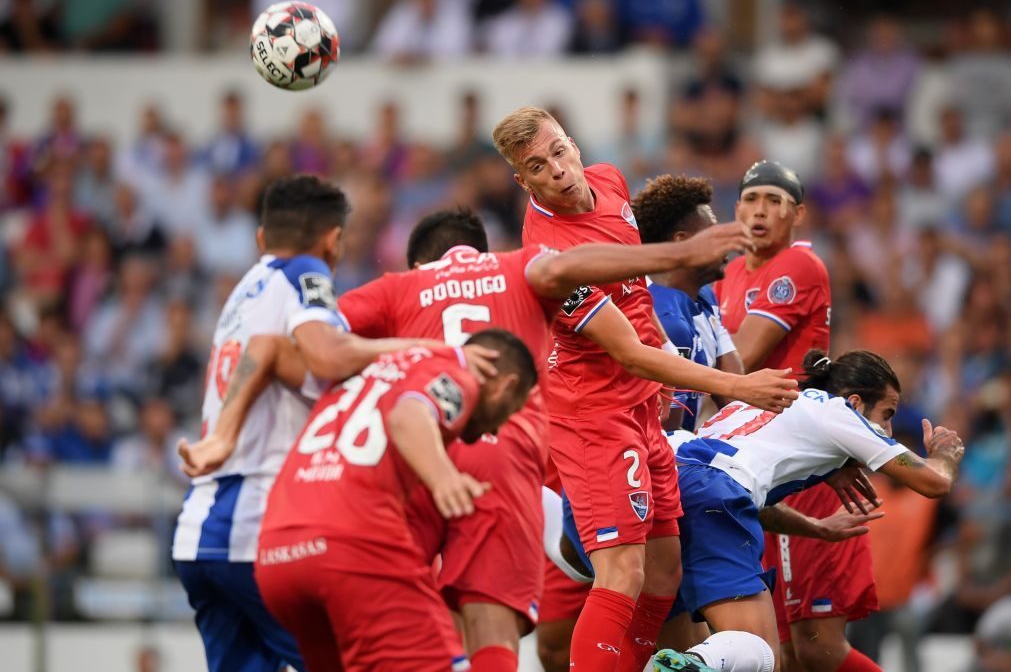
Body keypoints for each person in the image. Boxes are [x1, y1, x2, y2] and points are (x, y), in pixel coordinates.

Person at [181, 205, 759, 672]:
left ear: (419, 262)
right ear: (480, 251)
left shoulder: (396, 290)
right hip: (497, 454)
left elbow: (287, 349)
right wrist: (677, 255)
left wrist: (223, 435)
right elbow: (580, 286)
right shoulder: (518, 269)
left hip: (364, 485)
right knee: (500, 619)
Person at [492, 106, 798, 672]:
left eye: (559, 151)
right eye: (538, 166)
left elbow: (635, 295)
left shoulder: (609, 180)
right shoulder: (553, 260)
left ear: (574, 144)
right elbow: (629, 352)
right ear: (523, 180)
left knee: (664, 569)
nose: (556, 170)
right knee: (623, 572)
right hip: (591, 418)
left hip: (638, 410)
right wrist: (738, 385)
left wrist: (658, 343)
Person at [171, 175, 442, 672]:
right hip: (257, 523)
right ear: (333, 241)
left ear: (260, 238)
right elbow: (327, 354)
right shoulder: (302, 273)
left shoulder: (243, 292)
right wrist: (428, 349)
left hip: (200, 533)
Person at [657, 349, 965, 670]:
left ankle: (686, 660)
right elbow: (934, 482)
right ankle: (691, 664)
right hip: (714, 492)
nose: (887, 430)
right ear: (857, 402)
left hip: (665, 482)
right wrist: (945, 454)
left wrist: (815, 527)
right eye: (887, 414)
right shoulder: (840, 412)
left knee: (665, 640)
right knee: (761, 654)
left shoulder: (766, 403)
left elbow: (738, 489)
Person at [254, 331, 537, 672]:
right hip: (350, 546)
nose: (502, 423)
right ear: (506, 386)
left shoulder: (364, 368)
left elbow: (266, 345)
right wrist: (443, 477)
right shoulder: (459, 375)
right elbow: (408, 417)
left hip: (276, 554)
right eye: (513, 410)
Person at [713, 161, 880, 672]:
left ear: (798, 213)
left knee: (816, 646)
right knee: (780, 650)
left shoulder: (798, 266)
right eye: (751, 199)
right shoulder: (733, 270)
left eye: (774, 200)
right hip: (756, 457)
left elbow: (738, 360)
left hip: (798, 453)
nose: (760, 211)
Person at [633, 173, 744, 432]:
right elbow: (668, 434)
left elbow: (735, 395)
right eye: (712, 235)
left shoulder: (704, 295)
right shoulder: (666, 321)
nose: (724, 243)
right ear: (683, 241)